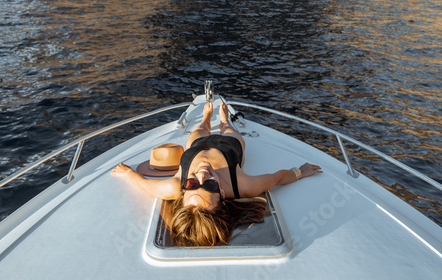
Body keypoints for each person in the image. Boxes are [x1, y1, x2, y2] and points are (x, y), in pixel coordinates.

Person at [111, 101, 321, 246]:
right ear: (221, 193)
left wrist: (128, 173)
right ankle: (223, 120)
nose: (201, 175)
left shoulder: (173, 186)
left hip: (196, 145)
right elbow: (277, 177)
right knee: (229, 128)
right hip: (231, 146)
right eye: (209, 185)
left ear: (183, 191)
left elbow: (143, 184)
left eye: (192, 185)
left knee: (200, 130)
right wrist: (300, 172)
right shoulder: (243, 185)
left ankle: (206, 118)